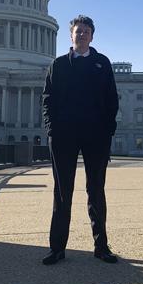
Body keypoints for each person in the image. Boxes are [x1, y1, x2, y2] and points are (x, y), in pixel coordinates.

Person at [41, 15, 119, 265]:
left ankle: (101, 246)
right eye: (78, 31)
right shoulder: (59, 64)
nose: (82, 35)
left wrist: (107, 131)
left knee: (96, 190)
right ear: (71, 36)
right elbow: (48, 99)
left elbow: (112, 100)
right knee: (62, 192)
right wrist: (52, 128)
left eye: (86, 31)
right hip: (64, 135)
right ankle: (57, 248)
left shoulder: (102, 63)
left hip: (95, 135)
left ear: (92, 36)